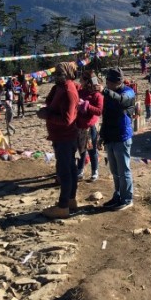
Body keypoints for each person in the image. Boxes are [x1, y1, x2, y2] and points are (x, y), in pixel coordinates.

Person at [39, 61, 80, 219]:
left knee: (65, 172)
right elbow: (51, 103)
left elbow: (67, 119)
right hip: (61, 136)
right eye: (55, 73)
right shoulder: (60, 88)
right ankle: (70, 201)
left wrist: (47, 115)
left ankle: (63, 206)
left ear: (68, 73)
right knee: (70, 168)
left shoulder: (69, 91)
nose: (56, 76)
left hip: (65, 137)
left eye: (60, 73)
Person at [100, 67, 136, 211]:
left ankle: (127, 199)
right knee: (115, 171)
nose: (107, 83)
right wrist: (102, 135)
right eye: (106, 81)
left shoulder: (128, 92)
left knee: (124, 170)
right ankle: (118, 196)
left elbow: (122, 101)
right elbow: (106, 116)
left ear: (118, 82)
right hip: (110, 136)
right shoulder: (108, 94)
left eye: (109, 82)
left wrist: (105, 91)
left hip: (122, 136)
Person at [76, 74, 103, 181]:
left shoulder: (97, 95)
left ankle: (94, 171)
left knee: (92, 150)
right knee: (81, 149)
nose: (80, 82)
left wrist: (87, 106)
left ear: (87, 81)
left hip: (90, 127)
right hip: (80, 126)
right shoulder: (80, 92)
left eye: (81, 80)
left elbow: (99, 111)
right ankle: (80, 170)